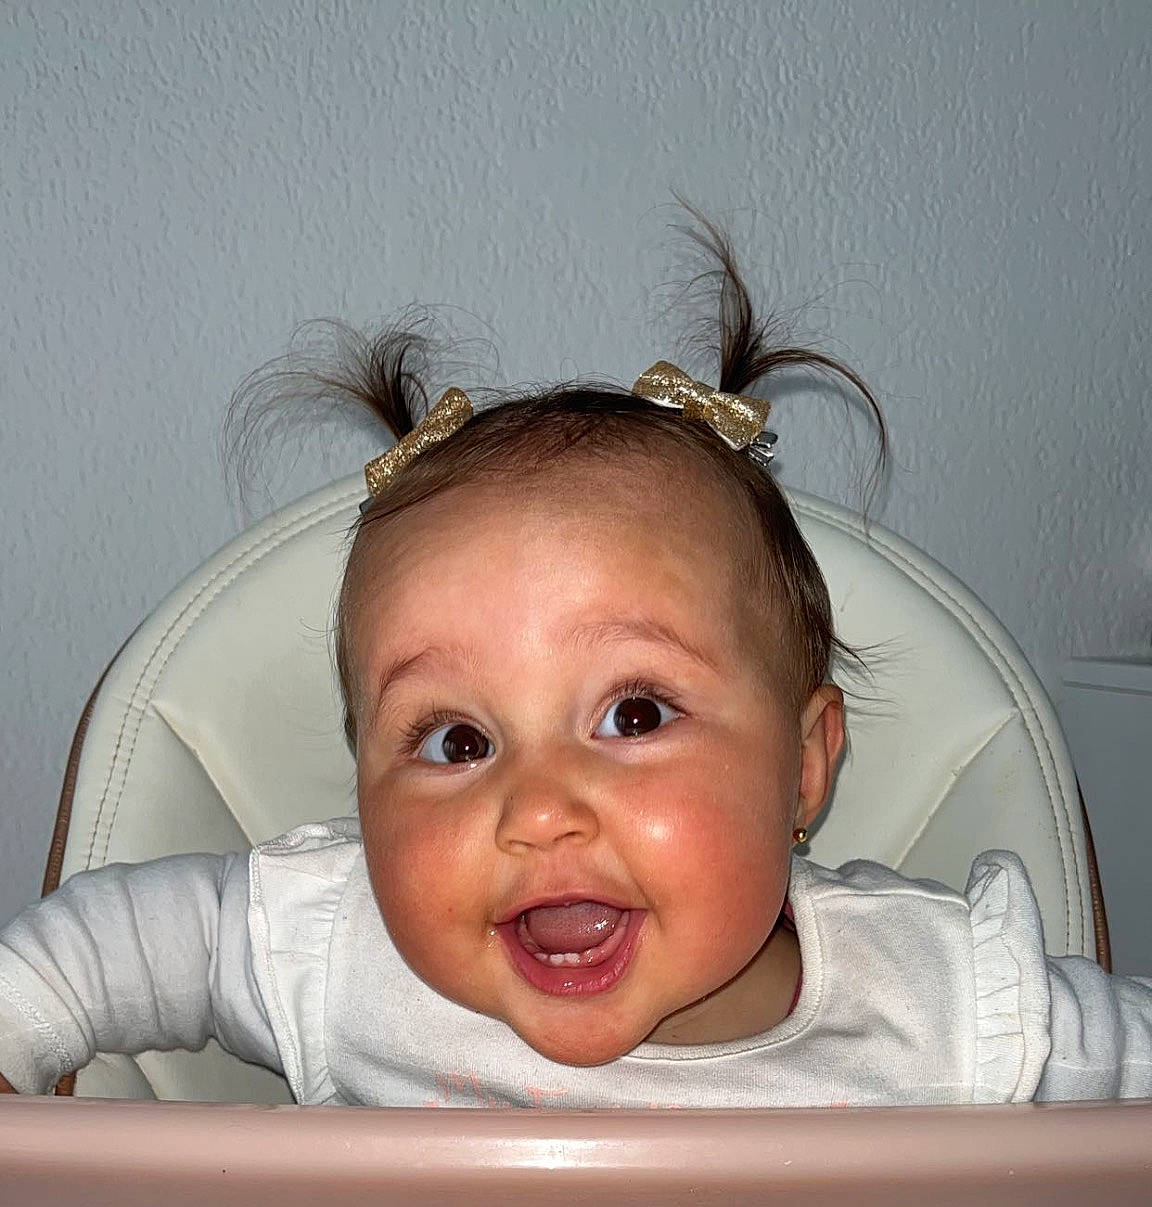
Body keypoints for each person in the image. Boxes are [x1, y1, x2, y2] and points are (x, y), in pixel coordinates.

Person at [1, 223, 1150, 1108]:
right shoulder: (337, 950)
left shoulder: (949, 1007)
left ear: (805, 767)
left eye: (635, 712)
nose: (537, 808)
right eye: (457, 740)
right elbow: (102, 952)